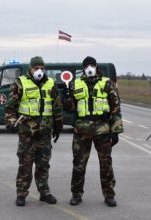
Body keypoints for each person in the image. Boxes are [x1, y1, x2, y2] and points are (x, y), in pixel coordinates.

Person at [62, 56, 123, 207]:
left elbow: (115, 107)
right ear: (83, 68)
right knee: (78, 164)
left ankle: (109, 194)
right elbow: (70, 108)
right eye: (87, 65)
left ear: (96, 67)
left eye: (92, 65)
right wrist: (67, 97)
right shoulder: (76, 84)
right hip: (82, 130)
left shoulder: (107, 83)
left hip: (102, 129)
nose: (89, 67)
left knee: (106, 164)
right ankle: (76, 194)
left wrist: (116, 130)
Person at [4, 56, 63, 206]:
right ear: (30, 69)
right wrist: (11, 122)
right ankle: (21, 193)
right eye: (36, 68)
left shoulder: (50, 84)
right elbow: (10, 107)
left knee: (43, 164)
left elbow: (56, 106)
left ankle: (44, 192)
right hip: (27, 132)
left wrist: (58, 124)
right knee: (25, 163)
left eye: (42, 68)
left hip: (45, 132)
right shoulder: (20, 83)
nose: (39, 71)